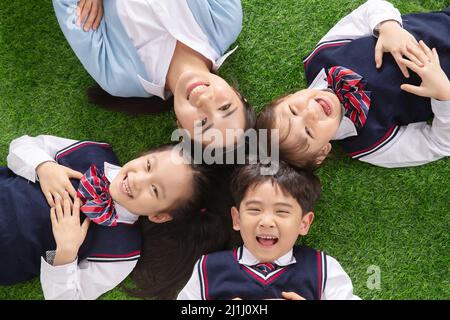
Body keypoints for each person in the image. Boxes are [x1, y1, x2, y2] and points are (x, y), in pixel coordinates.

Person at [0, 134, 211, 299]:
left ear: (160, 216)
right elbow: (22, 145)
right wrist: (43, 166)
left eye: (155, 190)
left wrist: (66, 252)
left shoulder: (123, 252)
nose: (138, 180)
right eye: (148, 165)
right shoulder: (93, 153)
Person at [256, 0, 450, 168]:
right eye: (308, 131)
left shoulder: (320, 58)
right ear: (322, 152)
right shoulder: (368, 144)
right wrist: (444, 95)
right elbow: (439, 143)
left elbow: (370, 9)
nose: (310, 113)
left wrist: (388, 26)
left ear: (287, 97)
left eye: (293, 111)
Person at [53, 0, 255, 146]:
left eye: (202, 123)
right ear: (238, 95)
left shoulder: (118, 78)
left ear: (181, 128)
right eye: (225, 106)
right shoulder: (226, 21)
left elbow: (70, 8)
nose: (204, 101)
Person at [177, 161, 359, 300]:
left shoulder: (323, 268)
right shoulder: (209, 268)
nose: (266, 222)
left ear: (304, 223)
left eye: (281, 211)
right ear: (237, 218)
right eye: (255, 209)